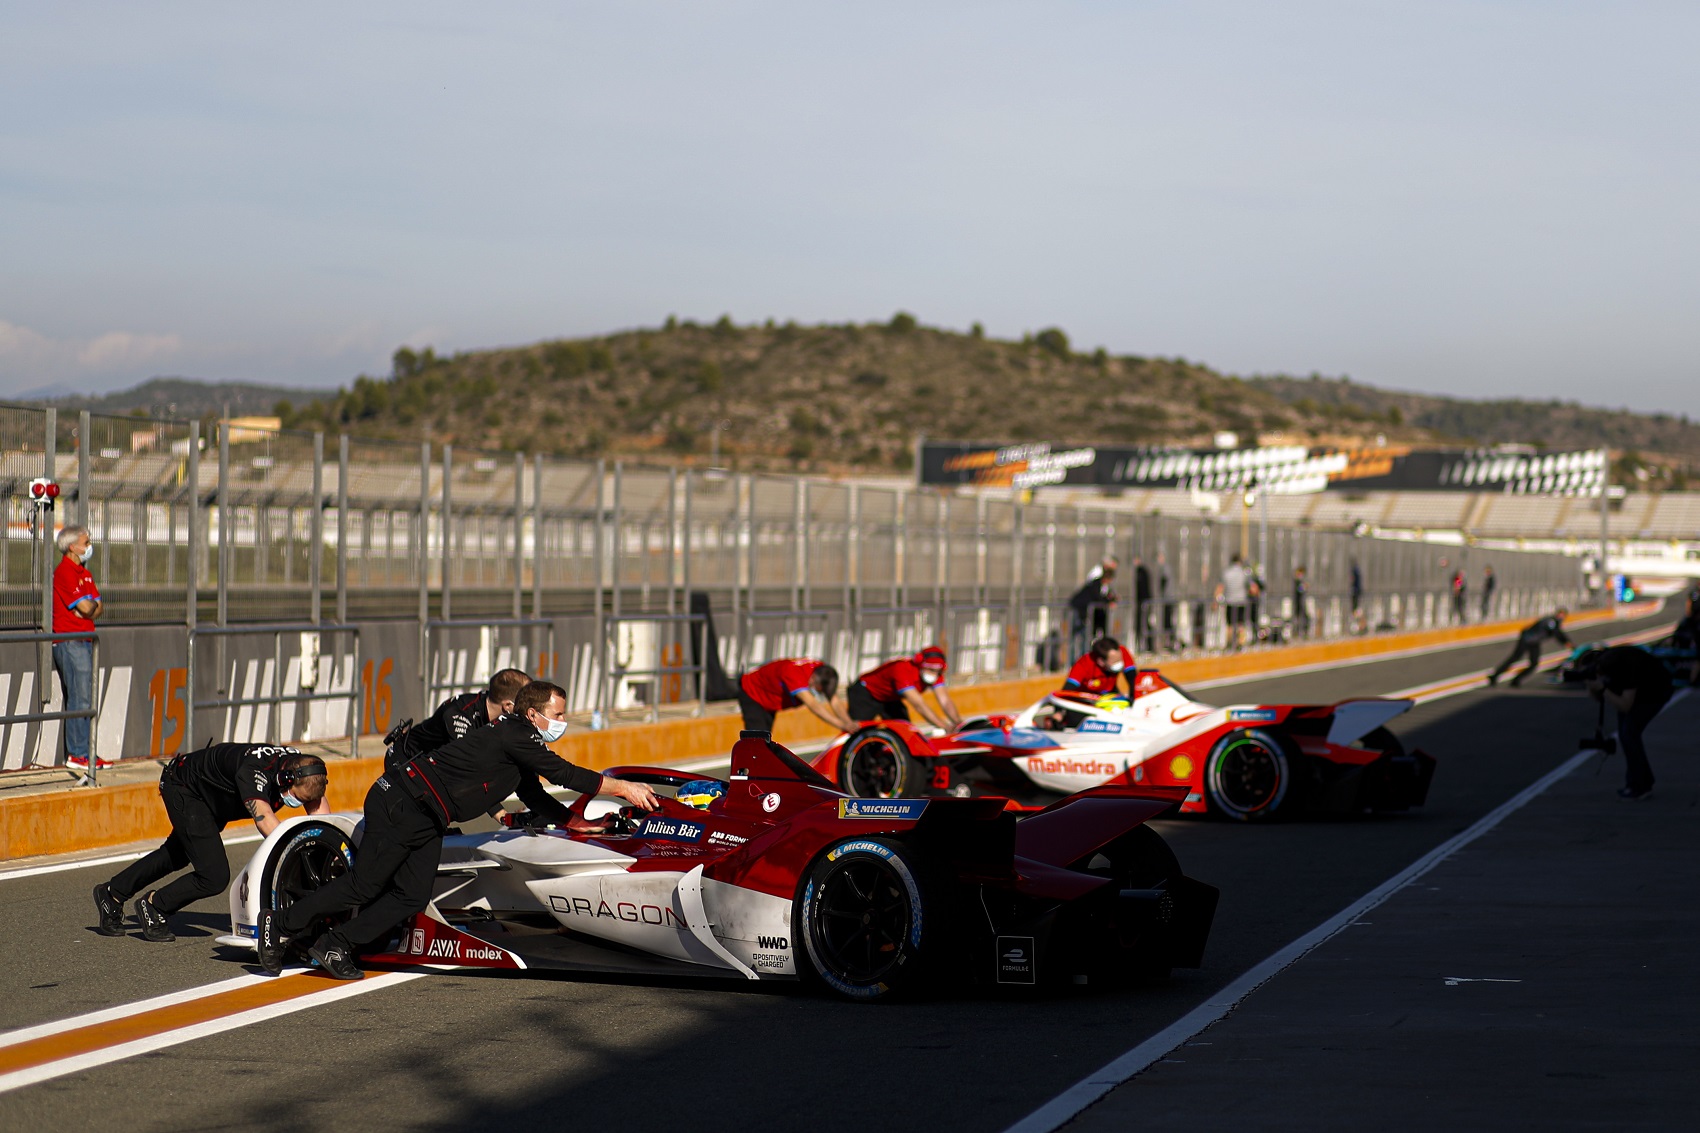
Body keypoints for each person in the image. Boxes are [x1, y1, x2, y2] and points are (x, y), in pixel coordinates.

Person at [259, 681, 659, 980]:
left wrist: (581, 825)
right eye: (557, 715)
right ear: (533, 713)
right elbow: (564, 773)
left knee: (411, 895)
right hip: (400, 799)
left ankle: (335, 944)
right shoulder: (514, 734)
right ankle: (278, 924)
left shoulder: (518, 743)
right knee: (365, 885)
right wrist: (624, 788)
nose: (563, 722)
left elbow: (536, 796)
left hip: (426, 813)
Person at [93, 744, 330, 942]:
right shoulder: (255, 772)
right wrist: (296, 855)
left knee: (176, 855)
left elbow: (320, 815)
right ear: (286, 779)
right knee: (213, 875)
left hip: (211, 799)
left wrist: (324, 853)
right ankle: (155, 906)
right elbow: (265, 819)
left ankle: (112, 893)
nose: (296, 803)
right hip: (186, 788)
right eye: (297, 798)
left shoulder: (304, 769)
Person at [1584, 645, 1673, 800]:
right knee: (1626, 735)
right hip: (1638, 691)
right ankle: (1638, 782)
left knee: (1629, 734)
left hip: (1655, 691)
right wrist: (1591, 686)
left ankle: (1641, 786)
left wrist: (1603, 688)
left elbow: (1625, 706)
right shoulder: (1605, 666)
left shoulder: (1623, 667)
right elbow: (1600, 699)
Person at [394, 668, 530, 766]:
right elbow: (466, 767)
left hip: (433, 767)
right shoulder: (459, 715)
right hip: (407, 758)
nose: (530, 709)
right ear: (507, 705)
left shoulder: (500, 715)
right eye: (527, 702)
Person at [51, 524, 104, 772]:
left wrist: (87, 607)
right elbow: (85, 608)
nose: (89, 546)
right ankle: (78, 753)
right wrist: (86, 607)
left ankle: (87, 752)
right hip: (69, 640)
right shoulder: (64, 572)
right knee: (79, 697)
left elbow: (97, 608)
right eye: (86, 542)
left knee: (88, 697)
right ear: (73, 547)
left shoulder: (86, 573)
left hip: (86, 638)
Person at [848, 646, 962, 732]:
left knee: (905, 730)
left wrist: (958, 724)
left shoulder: (936, 674)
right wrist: (944, 726)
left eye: (937, 671)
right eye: (930, 669)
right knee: (859, 731)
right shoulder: (902, 670)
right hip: (866, 693)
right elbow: (919, 705)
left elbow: (945, 701)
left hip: (889, 698)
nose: (933, 674)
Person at [737, 658, 854, 734]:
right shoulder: (795, 675)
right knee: (757, 743)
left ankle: (753, 770)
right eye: (819, 691)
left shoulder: (821, 671)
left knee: (765, 741)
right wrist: (841, 725)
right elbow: (814, 706)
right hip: (753, 693)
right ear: (813, 680)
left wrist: (849, 723)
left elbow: (834, 700)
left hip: (769, 699)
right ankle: (739, 771)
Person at [1487, 608, 1572, 687]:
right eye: (1561, 615)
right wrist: (1566, 643)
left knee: (1534, 663)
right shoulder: (1551, 621)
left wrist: (1567, 642)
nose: (1562, 617)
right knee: (1515, 658)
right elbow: (1557, 633)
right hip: (1527, 640)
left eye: (1563, 616)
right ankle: (1495, 676)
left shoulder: (1554, 622)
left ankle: (1516, 680)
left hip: (1534, 642)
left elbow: (1557, 633)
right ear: (1557, 614)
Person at [1068, 561, 1118, 658]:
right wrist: (1109, 602)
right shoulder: (1096, 584)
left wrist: (1112, 599)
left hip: (1083, 612)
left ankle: (1082, 658)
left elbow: (1105, 596)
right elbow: (1098, 597)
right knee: (1077, 636)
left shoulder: (1102, 586)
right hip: (1078, 610)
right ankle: (1074, 660)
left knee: (1084, 636)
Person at [1062, 636, 1135, 698]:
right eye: (1114, 662)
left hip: (1109, 692)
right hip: (1086, 697)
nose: (1120, 663)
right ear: (1101, 662)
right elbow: (1067, 690)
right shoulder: (1084, 664)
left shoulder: (1121, 652)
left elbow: (1133, 680)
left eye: (1120, 659)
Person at [1216, 555, 1257, 649]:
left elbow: (1220, 588)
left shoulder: (1226, 573)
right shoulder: (1244, 573)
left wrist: (1216, 601)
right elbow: (1253, 589)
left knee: (1230, 624)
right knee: (1240, 624)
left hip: (1229, 602)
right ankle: (1240, 643)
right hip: (1241, 602)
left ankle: (1230, 643)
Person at [1132, 557, 1153, 652]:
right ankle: (1140, 645)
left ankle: (1148, 645)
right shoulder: (1140, 572)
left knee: (1145, 623)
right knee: (1141, 624)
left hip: (1143, 602)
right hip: (1142, 602)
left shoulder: (1142, 572)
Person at [1291, 566, 1311, 639]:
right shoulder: (1297, 581)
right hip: (1297, 602)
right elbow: (1299, 589)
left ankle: (1303, 632)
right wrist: (1304, 587)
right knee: (1298, 617)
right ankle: (1297, 632)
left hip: (1301, 602)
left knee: (1304, 617)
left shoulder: (1300, 580)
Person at [1349, 559, 1366, 633]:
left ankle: (1361, 626)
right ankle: (1361, 626)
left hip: (1355, 592)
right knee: (1357, 609)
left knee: (1356, 610)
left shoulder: (1354, 571)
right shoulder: (1358, 570)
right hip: (1357, 592)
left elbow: (1353, 581)